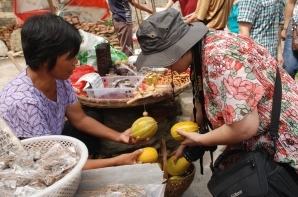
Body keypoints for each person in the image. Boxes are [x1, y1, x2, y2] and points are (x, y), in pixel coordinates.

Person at [135, 8, 298, 185]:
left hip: (281, 139)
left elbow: (244, 128)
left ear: (178, 49)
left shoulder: (218, 57)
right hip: (262, 134)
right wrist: (189, 141)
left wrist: (201, 139)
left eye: (163, 59)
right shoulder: (201, 49)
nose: (165, 67)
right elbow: (201, 104)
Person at [0, 13, 145, 170]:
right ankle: (87, 166)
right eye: (70, 58)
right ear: (47, 60)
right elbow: (54, 165)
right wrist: (115, 162)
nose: (75, 62)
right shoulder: (23, 103)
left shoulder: (58, 78)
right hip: (28, 166)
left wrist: (120, 136)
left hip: (51, 141)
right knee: (59, 168)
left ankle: (86, 163)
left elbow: (80, 119)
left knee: (91, 117)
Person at [238, 0, 284, 65]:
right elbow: (243, 32)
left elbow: (277, 25)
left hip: (272, 57)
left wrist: (279, 53)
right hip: (256, 57)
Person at [281, 0, 298, 79]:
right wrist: (285, 28)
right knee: (288, 68)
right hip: (294, 31)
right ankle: (287, 91)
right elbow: (291, 3)